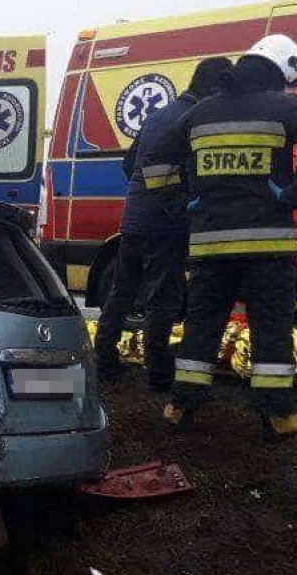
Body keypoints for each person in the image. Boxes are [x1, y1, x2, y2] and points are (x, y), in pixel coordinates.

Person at [162, 35, 297, 437]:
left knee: (202, 327)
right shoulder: (288, 108)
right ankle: (277, 416)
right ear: (279, 72)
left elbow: (153, 160)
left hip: (210, 245)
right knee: (270, 328)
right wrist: (290, 194)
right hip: (268, 246)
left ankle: (178, 407)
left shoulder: (199, 113)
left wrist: (185, 199)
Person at [94, 57, 233, 391]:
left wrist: (149, 195)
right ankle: (159, 374)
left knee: (121, 293)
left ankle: (104, 361)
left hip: (135, 219)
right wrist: (186, 202)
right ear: (215, 87)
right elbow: (192, 171)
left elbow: (130, 165)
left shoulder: (158, 116)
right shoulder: (193, 119)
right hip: (166, 224)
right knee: (163, 299)